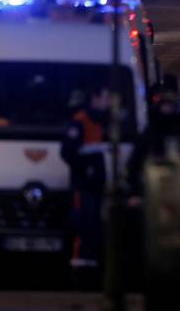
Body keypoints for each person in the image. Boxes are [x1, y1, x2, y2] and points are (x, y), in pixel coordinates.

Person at [61, 89, 109, 276]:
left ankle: (93, 267)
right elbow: (67, 152)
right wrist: (85, 170)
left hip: (96, 187)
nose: (108, 102)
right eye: (105, 98)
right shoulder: (80, 121)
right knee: (83, 225)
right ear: (95, 98)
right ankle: (80, 269)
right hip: (82, 187)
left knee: (95, 227)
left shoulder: (100, 121)